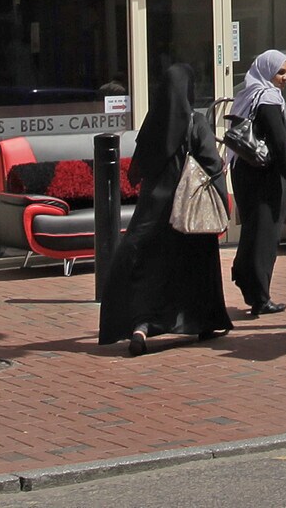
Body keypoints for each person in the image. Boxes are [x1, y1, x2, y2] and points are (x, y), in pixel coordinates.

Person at [98, 63, 232, 356]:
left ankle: (141, 327)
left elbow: (139, 167)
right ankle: (203, 321)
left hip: (153, 213)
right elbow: (211, 164)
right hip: (189, 214)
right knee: (196, 269)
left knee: (149, 272)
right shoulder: (196, 123)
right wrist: (223, 203)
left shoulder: (153, 123)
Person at [226, 49, 286, 317]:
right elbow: (279, 142)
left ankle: (249, 282)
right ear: (267, 70)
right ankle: (260, 295)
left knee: (253, 230)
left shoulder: (248, 96)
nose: (284, 78)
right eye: (280, 72)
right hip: (264, 175)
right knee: (265, 234)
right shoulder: (268, 99)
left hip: (245, 172)